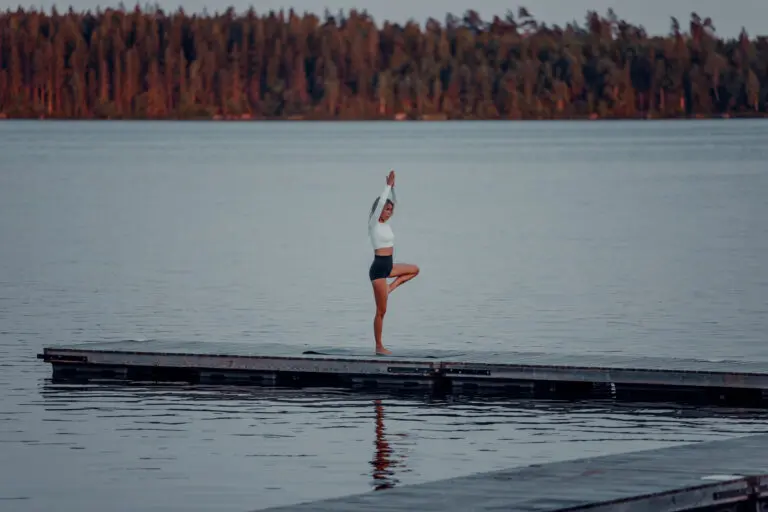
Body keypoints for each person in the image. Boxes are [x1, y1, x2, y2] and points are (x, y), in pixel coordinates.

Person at [368, 170, 419, 355]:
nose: (388, 212)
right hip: (379, 270)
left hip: (389, 267)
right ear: (378, 210)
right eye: (386, 209)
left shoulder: (387, 224)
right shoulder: (374, 223)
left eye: (390, 210)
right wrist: (387, 186)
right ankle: (379, 346)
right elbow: (382, 201)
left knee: (414, 270)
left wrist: (394, 190)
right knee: (381, 311)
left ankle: (390, 288)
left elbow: (395, 203)